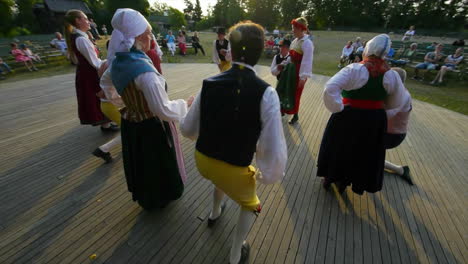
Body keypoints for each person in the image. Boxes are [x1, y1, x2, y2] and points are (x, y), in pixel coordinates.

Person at [180, 20, 287, 264]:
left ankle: (215, 211)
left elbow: (187, 128)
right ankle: (236, 254)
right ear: (261, 53)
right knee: (252, 204)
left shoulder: (208, 84)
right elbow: (272, 144)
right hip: (234, 167)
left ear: (231, 49)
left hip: (203, 161)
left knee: (220, 175)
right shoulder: (266, 93)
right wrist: (268, 173)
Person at [101, 8, 190, 210]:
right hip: (151, 127)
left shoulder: (118, 63)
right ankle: (160, 198)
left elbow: (105, 84)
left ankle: (146, 197)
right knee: (155, 164)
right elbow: (163, 110)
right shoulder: (145, 73)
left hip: (131, 124)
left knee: (140, 164)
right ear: (139, 36)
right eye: (149, 33)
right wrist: (185, 104)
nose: (152, 38)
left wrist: (126, 103)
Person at [317, 34, 409, 194]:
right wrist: (381, 109)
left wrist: (338, 107)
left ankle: (331, 176)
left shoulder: (355, 69)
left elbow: (330, 88)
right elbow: (398, 101)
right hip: (373, 121)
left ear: (368, 49)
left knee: (338, 145)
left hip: (347, 116)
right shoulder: (391, 75)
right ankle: (346, 182)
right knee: (362, 152)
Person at [64, 9, 114, 130]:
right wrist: (109, 62)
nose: (89, 22)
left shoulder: (79, 37)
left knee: (96, 97)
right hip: (90, 74)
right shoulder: (81, 39)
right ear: (78, 21)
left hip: (87, 72)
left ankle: (105, 123)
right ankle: (105, 124)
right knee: (98, 97)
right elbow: (95, 62)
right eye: (85, 19)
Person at [276, 17, 313, 124]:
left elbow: (307, 61)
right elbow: (290, 57)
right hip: (290, 71)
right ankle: (282, 110)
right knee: (285, 90)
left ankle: (295, 115)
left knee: (296, 94)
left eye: (294, 28)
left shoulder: (307, 43)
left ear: (301, 29)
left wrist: (303, 77)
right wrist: (283, 64)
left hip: (299, 72)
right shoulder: (295, 41)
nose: (292, 30)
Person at [384, 67, 413, 185]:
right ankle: (401, 170)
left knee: (366, 153)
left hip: (392, 135)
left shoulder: (403, 96)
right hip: (389, 132)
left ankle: (401, 170)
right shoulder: (395, 92)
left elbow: (385, 114)